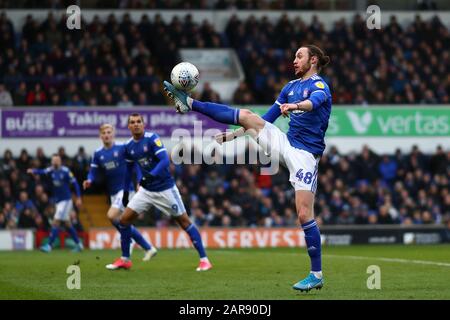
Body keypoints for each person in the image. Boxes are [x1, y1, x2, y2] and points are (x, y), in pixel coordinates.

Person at [164, 45, 331, 291]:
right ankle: (190, 102)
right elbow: (265, 120)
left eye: (299, 56)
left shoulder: (319, 86)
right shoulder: (289, 88)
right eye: (294, 55)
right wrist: (235, 136)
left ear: (313, 60)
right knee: (248, 114)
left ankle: (316, 274)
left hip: (306, 155)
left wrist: (294, 107)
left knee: (304, 214)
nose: (294, 60)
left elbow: (313, 103)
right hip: (286, 143)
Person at [107, 113, 212, 271]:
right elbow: (128, 170)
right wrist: (126, 193)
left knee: (184, 222)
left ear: (143, 124)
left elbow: (164, 160)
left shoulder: (152, 138)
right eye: (132, 122)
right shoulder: (128, 146)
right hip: (146, 191)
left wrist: (151, 175)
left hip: (165, 189)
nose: (136, 124)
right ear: (128, 126)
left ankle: (204, 260)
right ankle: (125, 259)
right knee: (124, 220)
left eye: (138, 122)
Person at [83, 124, 157, 266]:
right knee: (123, 221)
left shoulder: (123, 148)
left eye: (109, 132)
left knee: (111, 215)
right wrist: (89, 180)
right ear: (100, 136)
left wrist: (139, 181)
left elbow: (136, 164)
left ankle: (128, 249)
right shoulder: (98, 153)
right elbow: (93, 171)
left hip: (125, 190)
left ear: (113, 133)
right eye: (104, 132)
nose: (106, 134)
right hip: (113, 193)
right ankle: (147, 247)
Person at [27, 154, 84, 252]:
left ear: (60, 161)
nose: (55, 162)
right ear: (52, 162)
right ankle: (79, 244)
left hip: (66, 200)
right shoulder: (51, 170)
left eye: (57, 160)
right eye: (53, 160)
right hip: (58, 202)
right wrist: (33, 171)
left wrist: (78, 198)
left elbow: (75, 183)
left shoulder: (66, 171)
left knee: (56, 221)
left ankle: (49, 245)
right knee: (67, 224)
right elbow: (42, 172)